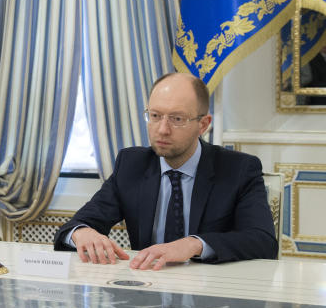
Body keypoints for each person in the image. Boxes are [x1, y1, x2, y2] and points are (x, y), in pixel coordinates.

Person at [53, 72, 277, 268]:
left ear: (203, 124)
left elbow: (262, 241)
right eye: (155, 116)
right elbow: (75, 225)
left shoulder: (238, 169)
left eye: (177, 119)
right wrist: (82, 233)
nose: (162, 130)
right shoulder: (131, 164)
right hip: (148, 290)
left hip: (211, 295)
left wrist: (194, 244)